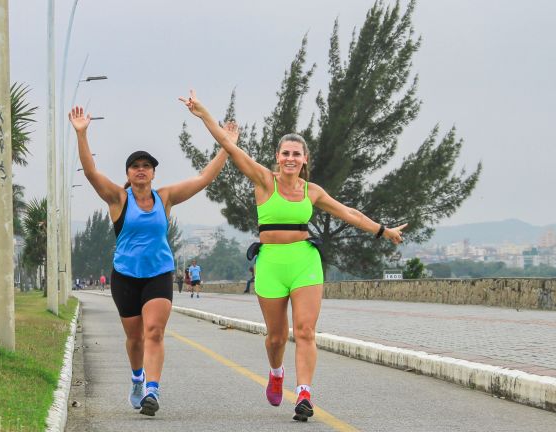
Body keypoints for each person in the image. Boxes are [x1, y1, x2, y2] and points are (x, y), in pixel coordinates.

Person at [180, 90, 406, 422]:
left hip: (304, 260)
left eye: (296, 154)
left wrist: (383, 230)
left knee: (304, 331)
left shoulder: (312, 192)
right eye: (285, 153)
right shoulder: (263, 180)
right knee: (275, 337)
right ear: (277, 157)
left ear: (304, 160)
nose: (290, 158)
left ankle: (303, 394)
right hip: (270, 262)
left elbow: (350, 214)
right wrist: (204, 115)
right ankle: (275, 372)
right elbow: (230, 147)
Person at [70, 105, 237, 416]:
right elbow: (92, 173)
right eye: (136, 166)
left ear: (154, 172)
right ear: (129, 173)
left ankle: (152, 391)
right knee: (134, 338)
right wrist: (82, 133)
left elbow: (203, 179)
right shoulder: (118, 199)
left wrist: (226, 147)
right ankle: (137, 379)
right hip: (125, 276)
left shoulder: (165, 197)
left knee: (154, 332)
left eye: (147, 166)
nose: (142, 170)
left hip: (159, 273)